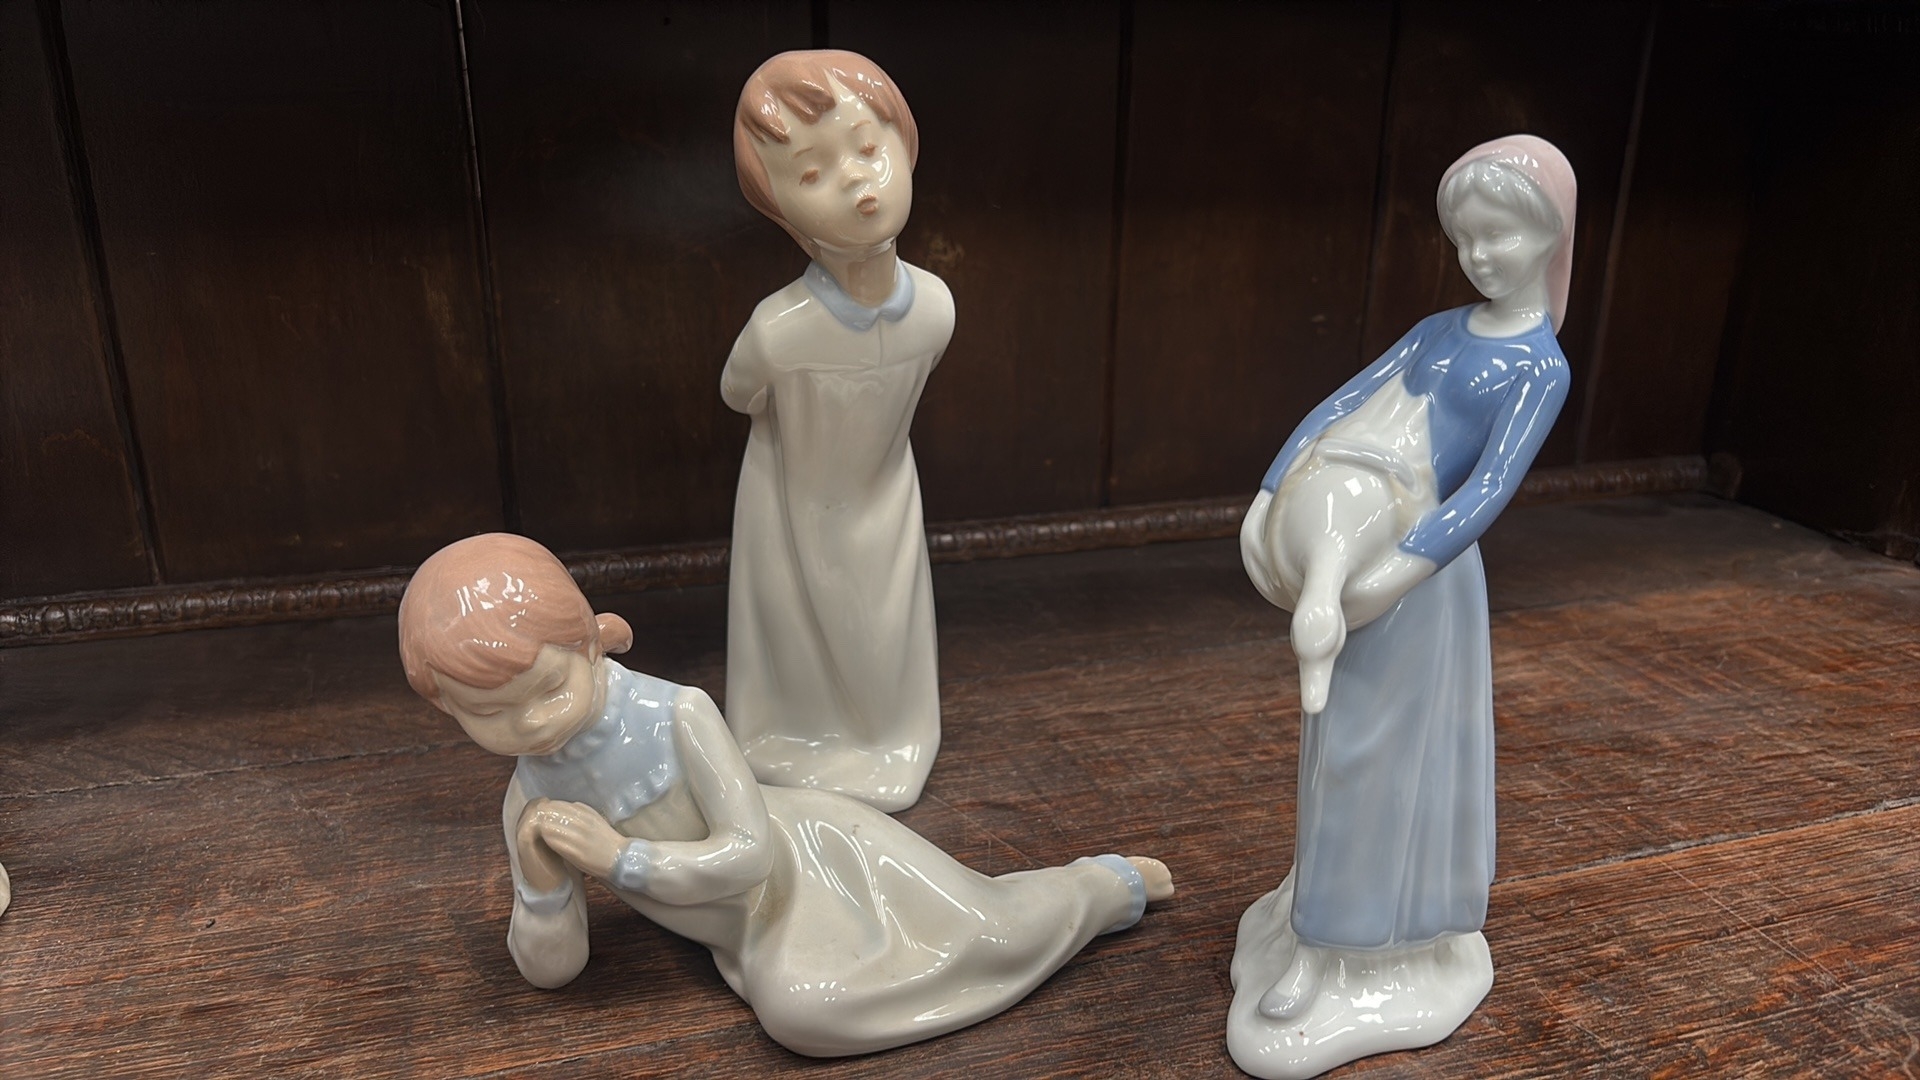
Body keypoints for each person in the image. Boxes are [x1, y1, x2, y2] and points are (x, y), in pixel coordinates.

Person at [397, 532, 1172, 1058]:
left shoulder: (677, 714)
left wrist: (621, 859)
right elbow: (554, 973)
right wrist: (541, 888)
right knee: (804, 1014)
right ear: (448, 713)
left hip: (814, 853)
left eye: (548, 689)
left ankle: (1099, 889)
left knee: (987, 928)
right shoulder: (530, 803)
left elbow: (749, 854)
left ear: (593, 643)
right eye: (489, 715)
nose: (529, 725)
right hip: (754, 932)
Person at [1231, 135, 1576, 1079]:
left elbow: (1488, 491)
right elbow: (1337, 405)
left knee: (1389, 763)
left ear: (1552, 236)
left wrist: (1389, 578)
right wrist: (1268, 496)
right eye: (1467, 238)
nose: (1481, 256)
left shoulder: (1539, 368)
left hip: (1423, 585)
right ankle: (1316, 918)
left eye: (1502, 235)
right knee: (1335, 750)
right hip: (1360, 555)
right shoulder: (1437, 330)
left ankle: (1355, 950)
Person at [719, 50, 952, 813]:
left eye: (868, 149)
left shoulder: (935, 308)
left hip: (883, 492)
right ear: (779, 210)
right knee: (793, 626)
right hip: (790, 496)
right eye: (813, 173)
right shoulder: (779, 329)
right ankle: (801, 739)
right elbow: (739, 390)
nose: (857, 181)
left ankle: (888, 740)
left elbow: (741, 396)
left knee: (883, 625)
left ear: (907, 149)